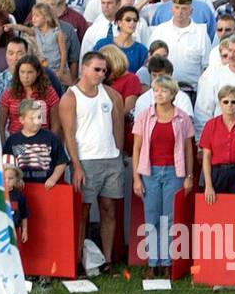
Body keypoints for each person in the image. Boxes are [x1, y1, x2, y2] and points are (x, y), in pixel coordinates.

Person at [61, 51, 126, 272]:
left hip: (110, 159)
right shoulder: (70, 97)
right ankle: (78, 260)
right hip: (86, 161)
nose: (101, 74)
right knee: (82, 212)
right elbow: (68, 134)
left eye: (104, 70)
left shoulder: (111, 95)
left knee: (109, 209)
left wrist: (118, 152)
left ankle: (107, 260)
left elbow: (119, 125)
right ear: (84, 69)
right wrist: (76, 165)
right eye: (97, 69)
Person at [132, 76, 195, 277]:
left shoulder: (182, 118)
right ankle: (152, 262)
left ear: (172, 94)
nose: (159, 94)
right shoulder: (144, 116)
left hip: (173, 172)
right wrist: (136, 177)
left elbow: (188, 150)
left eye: (163, 91)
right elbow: (137, 148)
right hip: (150, 171)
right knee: (151, 217)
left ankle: (168, 262)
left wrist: (188, 176)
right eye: (156, 90)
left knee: (169, 218)